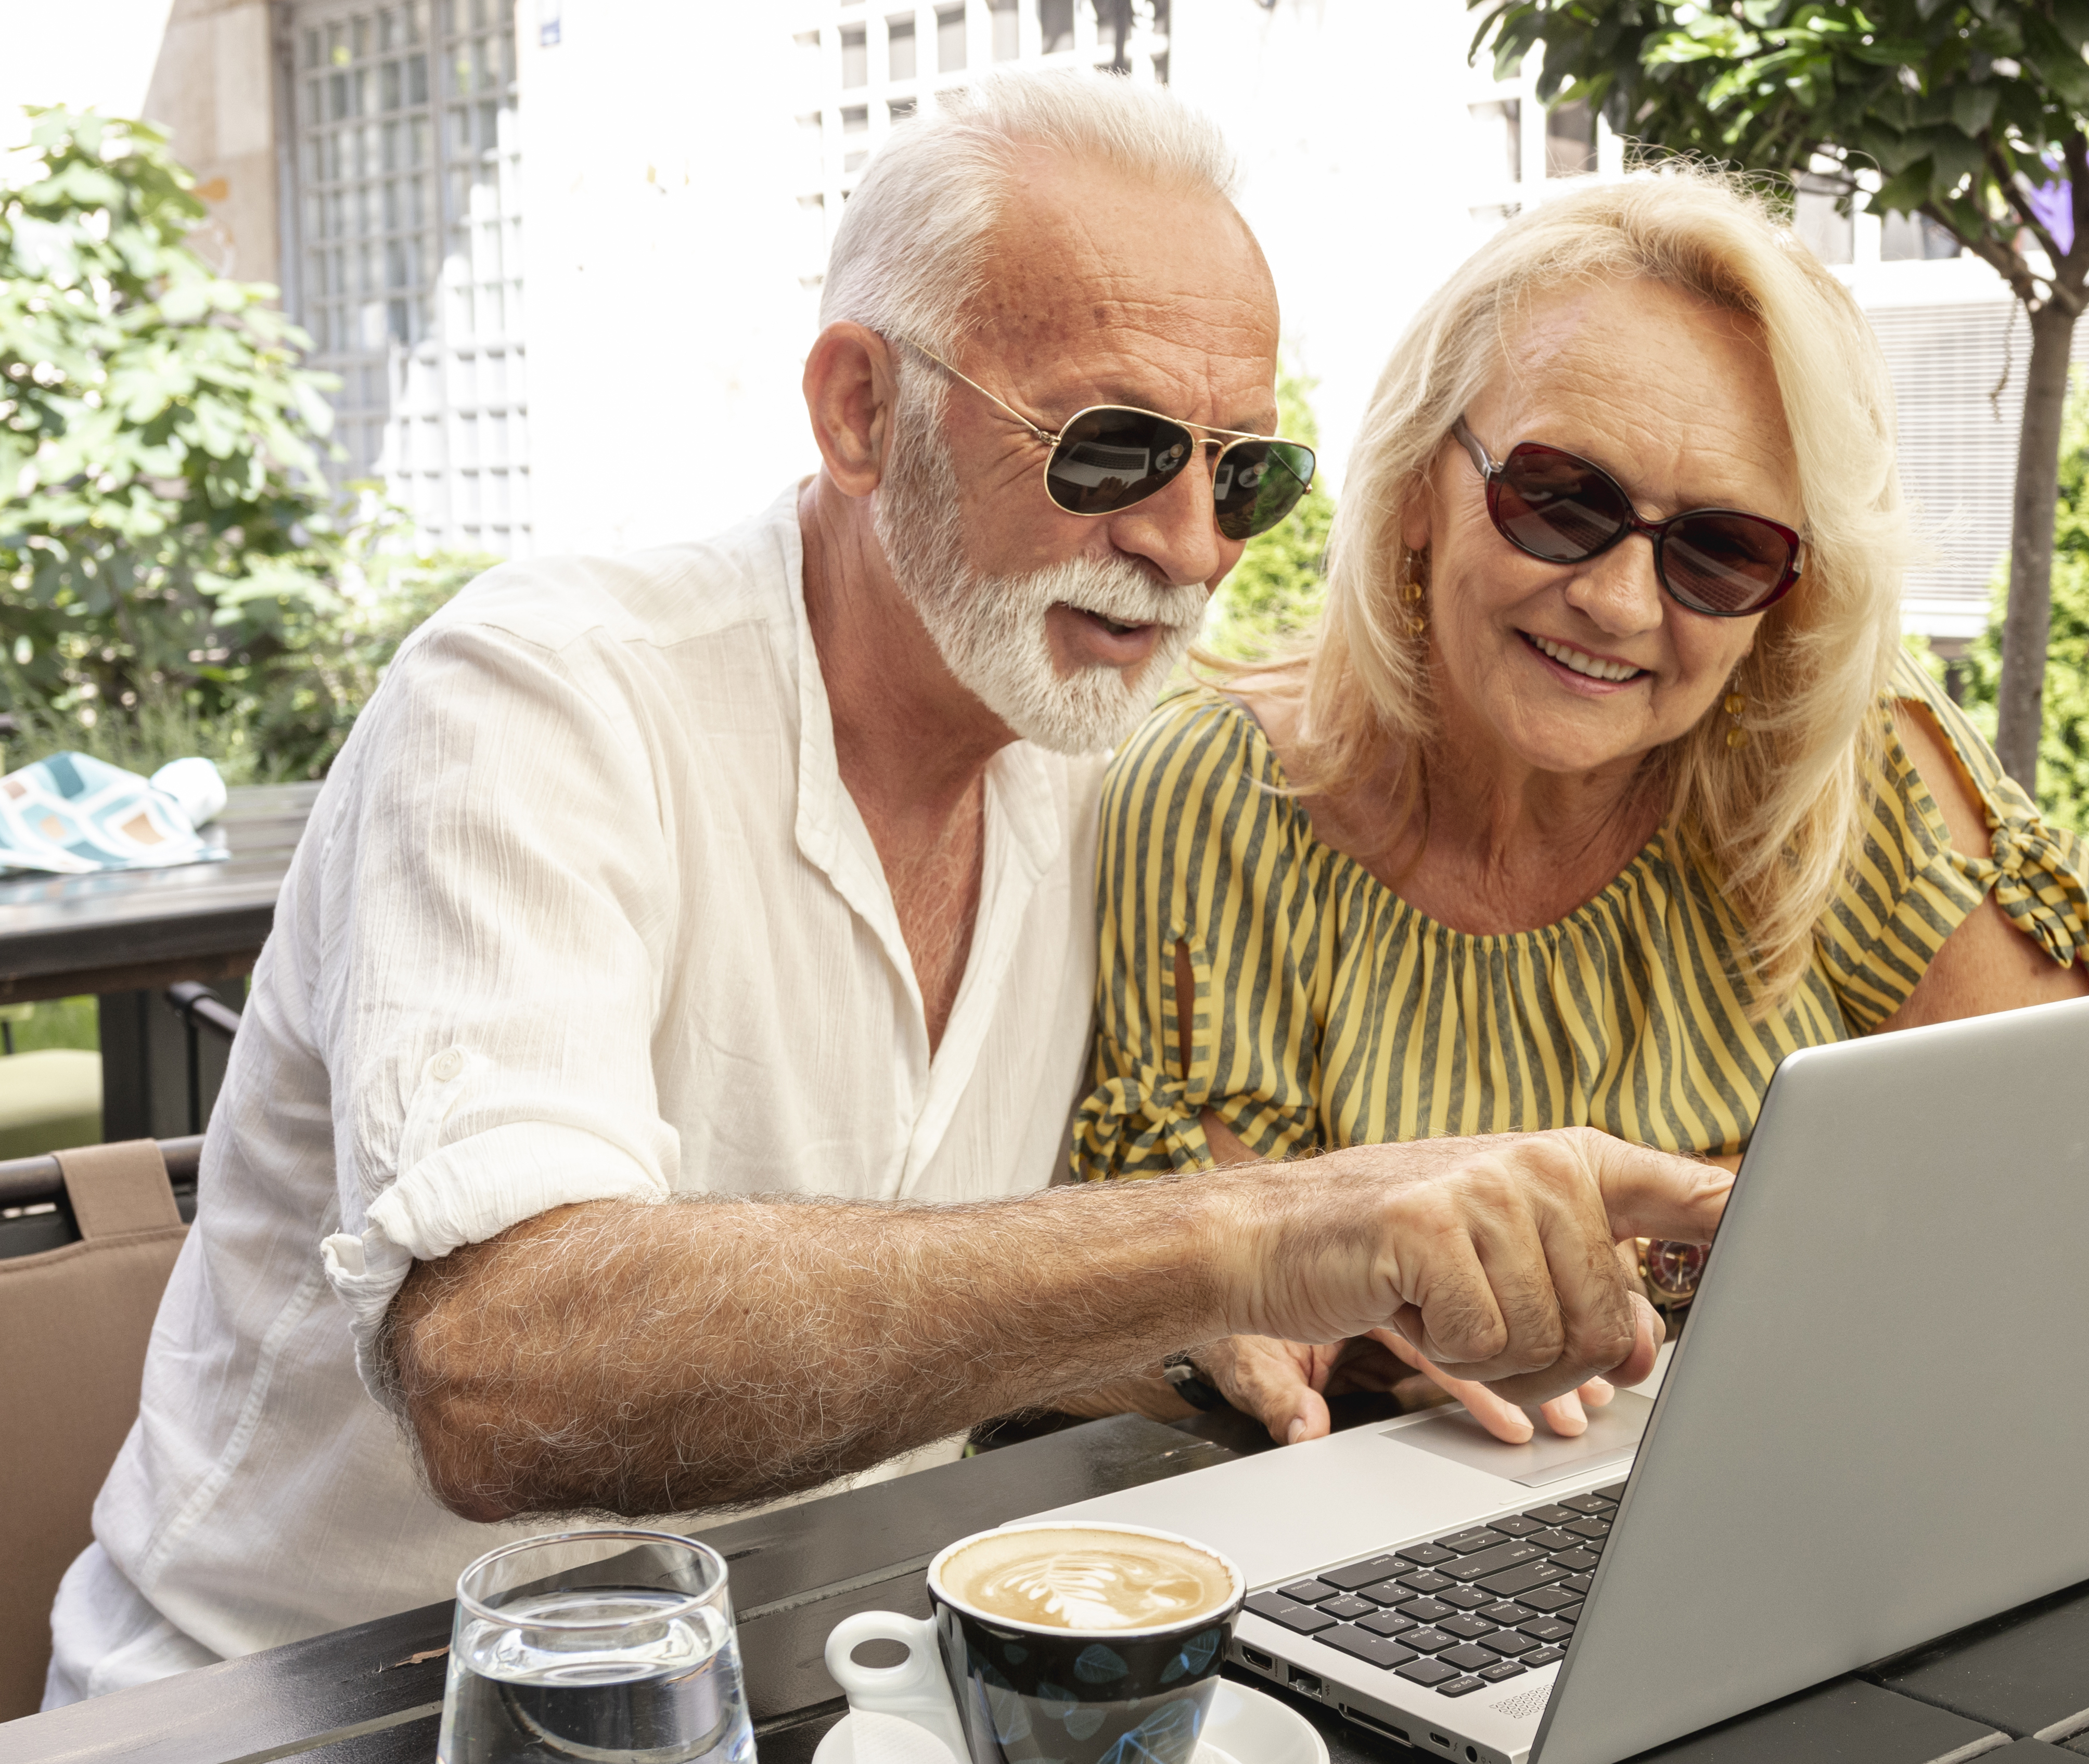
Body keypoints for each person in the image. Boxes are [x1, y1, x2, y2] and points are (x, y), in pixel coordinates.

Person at [43, 76, 1727, 1706]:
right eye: (1114, 449)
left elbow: (921, 1285)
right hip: (314, 1705)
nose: (1193, 545)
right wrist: (1246, 1238)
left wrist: (1229, 1318)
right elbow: (498, 1370)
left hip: (808, 1670)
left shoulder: (1107, 765)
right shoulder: (541, 698)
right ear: (859, 410)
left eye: (1245, 474)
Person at [1076, 169, 2089, 1448]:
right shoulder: (1226, 798)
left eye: (1723, 550)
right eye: (1560, 500)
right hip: (1421, 1508)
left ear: (1790, 590)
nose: (1619, 603)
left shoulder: (1850, 755)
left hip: (1855, 1449)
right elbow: (1246, 1307)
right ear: (1416, 486)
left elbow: (2066, 1184)